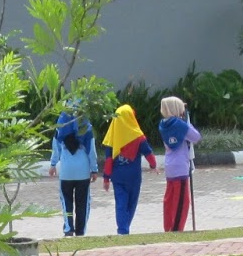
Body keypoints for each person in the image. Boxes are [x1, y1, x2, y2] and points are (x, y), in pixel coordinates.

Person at [100, 103, 156, 235]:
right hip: (134, 178)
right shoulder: (138, 137)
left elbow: (108, 160)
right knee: (131, 204)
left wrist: (106, 178)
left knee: (120, 203)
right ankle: (125, 228)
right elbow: (148, 153)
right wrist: (153, 166)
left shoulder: (112, 138)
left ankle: (123, 229)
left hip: (117, 177)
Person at [49, 110, 98, 237]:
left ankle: (69, 227)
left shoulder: (60, 128)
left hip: (66, 173)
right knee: (82, 203)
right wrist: (94, 169)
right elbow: (91, 151)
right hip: (83, 173)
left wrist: (53, 164)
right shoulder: (86, 128)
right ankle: (81, 231)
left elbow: (56, 148)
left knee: (67, 202)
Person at [158, 96, 200, 232]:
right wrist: (187, 121)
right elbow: (196, 137)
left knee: (170, 200)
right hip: (181, 166)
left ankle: (168, 227)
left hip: (169, 165)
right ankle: (176, 229)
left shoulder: (163, 124)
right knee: (182, 202)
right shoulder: (180, 124)